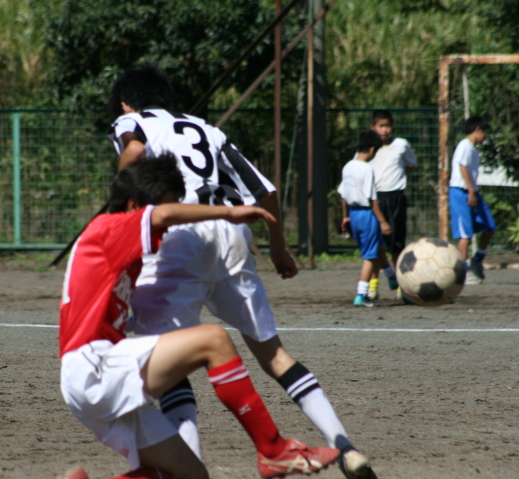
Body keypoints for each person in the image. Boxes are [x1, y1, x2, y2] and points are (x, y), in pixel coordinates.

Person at [107, 65, 378, 479]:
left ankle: (189, 471)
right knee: (275, 356)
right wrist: (279, 247)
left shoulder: (132, 121)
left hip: (181, 235)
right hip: (230, 234)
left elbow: (134, 152)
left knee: (172, 367)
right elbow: (265, 191)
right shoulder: (206, 129)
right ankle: (345, 446)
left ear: (127, 104)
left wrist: (116, 212)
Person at [59, 155, 340, 479]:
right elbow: (164, 215)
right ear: (134, 205)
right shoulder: (109, 228)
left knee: (190, 473)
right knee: (214, 340)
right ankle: (273, 450)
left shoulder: (117, 247)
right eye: (164, 209)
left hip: (90, 375)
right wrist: (229, 212)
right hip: (93, 367)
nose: (168, 227)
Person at [367, 110, 417, 301]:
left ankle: (401, 288)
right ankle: (373, 286)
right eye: (381, 126)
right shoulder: (368, 147)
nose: (384, 130)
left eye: (387, 126)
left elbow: (411, 164)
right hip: (374, 199)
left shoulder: (401, 144)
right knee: (375, 246)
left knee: (397, 245)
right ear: (373, 127)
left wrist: (398, 177)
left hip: (396, 198)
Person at [338, 130, 392, 307]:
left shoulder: (348, 166)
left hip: (354, 214)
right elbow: (371, 199)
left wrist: (345, 216)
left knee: (379, 247)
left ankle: (393, 279)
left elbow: (343, 195)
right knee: (370, 256)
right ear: (371, 149)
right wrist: (383, 221)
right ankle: (361, 295)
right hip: (367, 214)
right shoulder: (367, 168)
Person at [448, 115, 496, 284]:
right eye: (484, 133)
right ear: (477, 130)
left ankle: (477, 259)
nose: (485, 137)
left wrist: (473, 191)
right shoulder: (464, 145)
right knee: (465, 235)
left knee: (490, 226)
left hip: (472, 192)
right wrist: (470, 191)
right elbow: (462, 167)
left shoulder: (474, 150)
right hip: (461, 192)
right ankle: (463, 272)